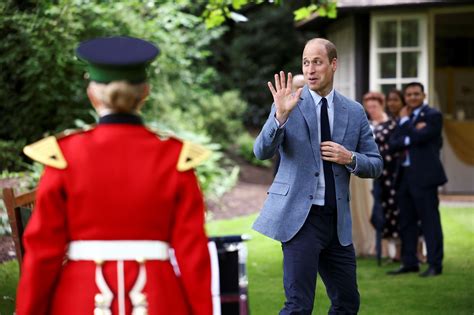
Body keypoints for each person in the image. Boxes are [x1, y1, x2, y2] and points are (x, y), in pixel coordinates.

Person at [16, 36, 213, 315]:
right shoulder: (176, 158)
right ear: (145, 92)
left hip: (79, 301)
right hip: (158, 300)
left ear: (92, 94)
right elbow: (193, 255)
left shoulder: (63, 156)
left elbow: (42, 253)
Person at [253, 38, 383, 314]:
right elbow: (261, 151)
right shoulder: (288, 104)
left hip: (337, 223)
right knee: (299, 306)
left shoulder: (354, 111)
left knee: (348, 303)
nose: (310, 69)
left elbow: (375, 164)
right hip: (301, 221)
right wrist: (280, 116)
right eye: (305, 62)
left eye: (317, 62)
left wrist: (350, 158)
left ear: (333, 65)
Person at [387, 82, 447, 277]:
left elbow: (424, 137)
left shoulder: (432, 116)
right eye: (409, 94)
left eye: (416, 94)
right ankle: (410, 262)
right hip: (404, 177)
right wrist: (411, 133)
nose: (412, 97)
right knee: (406, 222)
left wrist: (406, 127)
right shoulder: (408, 118)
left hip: (425, 177)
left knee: (429, 222)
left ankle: (435, 265)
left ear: (424, 95)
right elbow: (393, 144)